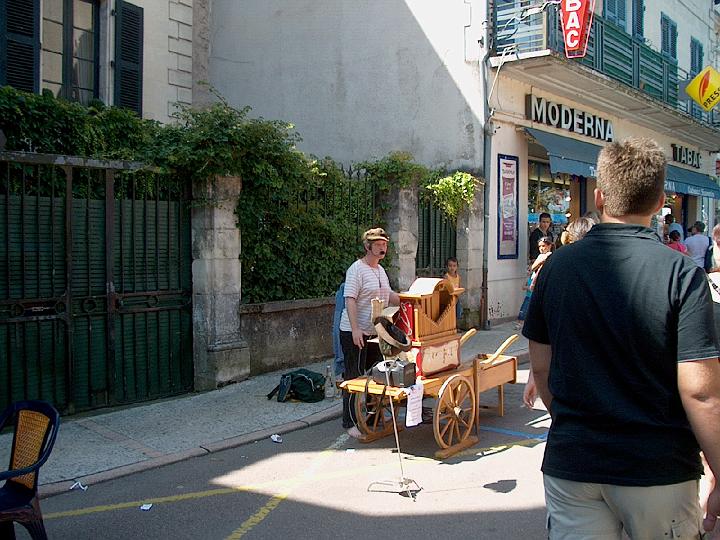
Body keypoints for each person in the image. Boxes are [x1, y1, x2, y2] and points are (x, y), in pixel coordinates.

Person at [522, 137, 720, 539]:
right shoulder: (682, 274)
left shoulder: (555, 268)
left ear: (599, 196)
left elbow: (541, 368)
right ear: (660, 201)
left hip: (574, 464)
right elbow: (700, 392)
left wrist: (575, 425)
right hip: (658, 467)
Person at [522, 220, 593, 409]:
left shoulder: (553, 268)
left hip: (564, 380)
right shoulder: (601, 272)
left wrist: (534, 379)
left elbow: (540, 340)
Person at [339, 227, 399, 438]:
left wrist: (410, 298)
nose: (383, 248)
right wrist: (355, 329)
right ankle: (349, 422)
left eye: (385, 245)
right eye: (378, 245)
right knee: (354, 377)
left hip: (375, 332)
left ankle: (373, 418)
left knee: (377, 376)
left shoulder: (380, 270)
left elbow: (389, 295)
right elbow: (350, 300)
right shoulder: (356, 269)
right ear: (368, 246)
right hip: (354, 332)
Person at [515, 236, 553, 330]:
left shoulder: (548, 255)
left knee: (530, 304)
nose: (541, 248)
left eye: (543, 246)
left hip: (541, 283)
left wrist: (534, 266)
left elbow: (533, 267)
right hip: (536, 283)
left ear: (549, 246)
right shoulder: (541, 256)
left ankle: (524, 322)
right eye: (539, 246)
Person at [444, 257, 463, 325]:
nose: (452, 268)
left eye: (454, 266)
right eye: (450, 266)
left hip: (456, 298)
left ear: (457, 267)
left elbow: (459, 287)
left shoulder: (458, 277)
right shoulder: (446, 277)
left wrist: (458, 295)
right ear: (447, 266)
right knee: (449, 313)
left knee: (458, 312)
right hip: (449, 298)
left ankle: (456, 326)